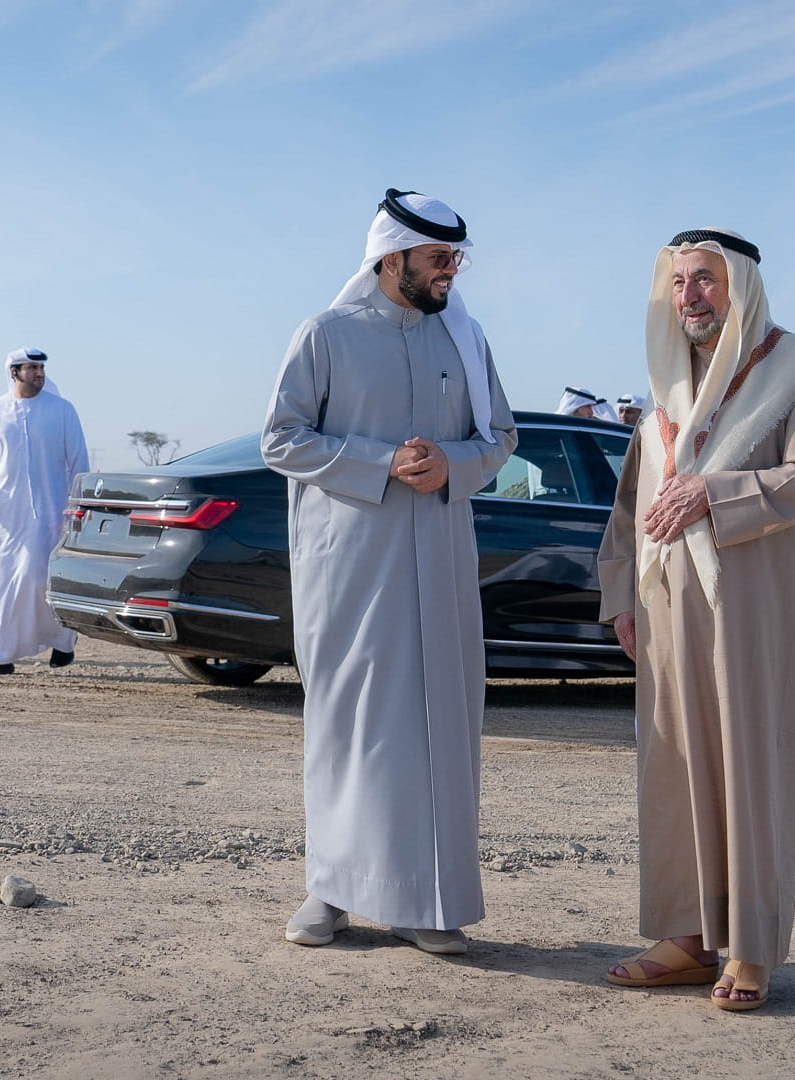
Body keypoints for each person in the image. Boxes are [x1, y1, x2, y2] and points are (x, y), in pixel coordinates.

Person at [262, 189, 516, 956]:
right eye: (439, 259)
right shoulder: (326, 335)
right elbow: (282, 438)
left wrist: (454, 462)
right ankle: (331, 892)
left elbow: (500, 437)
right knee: (352, 728)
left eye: (456, 259)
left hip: (439, 563)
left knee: (435, 729)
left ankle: (426, 901)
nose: (451, 272)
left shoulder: (465, 343)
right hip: (351, 568)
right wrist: (380, 462)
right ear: (391, 257)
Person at [597, 229, 795, 1012]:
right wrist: (622, 595)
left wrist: (715, 493)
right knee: (673, 774)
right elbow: (634, 503)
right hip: (668, 612)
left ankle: (755, 950)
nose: (689, 295)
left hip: (751, 613)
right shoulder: (669, 380)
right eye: (678, 282)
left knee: (751, 771)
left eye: (704, 279)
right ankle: (689, 939)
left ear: (739, 285)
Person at [0, 348, 90, 675]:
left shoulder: (62, 411)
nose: (40, 373)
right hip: (3, 517)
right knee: (0, 583)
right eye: (32, 368)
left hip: (53, 513)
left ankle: (63, 642)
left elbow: (79, 462)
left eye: (41, 367)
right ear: (14, 373)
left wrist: (80, 505)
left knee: (43, 580)